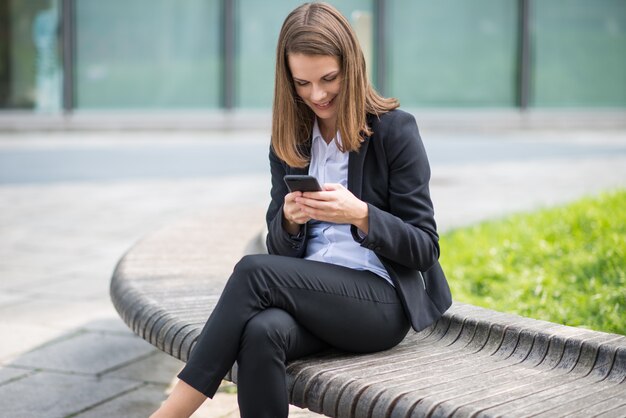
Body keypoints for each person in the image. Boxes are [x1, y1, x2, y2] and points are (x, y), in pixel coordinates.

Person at [150, 2, 451, 417]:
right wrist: (290, 221)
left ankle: (170, 413)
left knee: (252, 272)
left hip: (378, 304)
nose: (318, 94)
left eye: (329, 78)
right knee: (261, 331)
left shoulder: (394, 131)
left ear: (352, 66)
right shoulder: (290, 140)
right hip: (313, 301)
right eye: (303, 83)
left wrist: (360, 214)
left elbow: (425, 247)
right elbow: (280, 250)